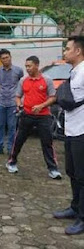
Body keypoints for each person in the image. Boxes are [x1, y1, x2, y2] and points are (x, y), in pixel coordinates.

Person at [5, 56, 62, 179]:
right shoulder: (23, 81)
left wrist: (41, 106)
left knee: (47, 143)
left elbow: (53, 97)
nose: (27, 69)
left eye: (29, 66)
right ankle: (11, 162)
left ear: (37, 65)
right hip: (26, 115)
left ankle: (53, 169)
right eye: (26, 66)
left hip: (44, 116)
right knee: (18, 140)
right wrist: (19, 103)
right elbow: (18, 95)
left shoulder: (47, 80)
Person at [53, 36, 84, 235]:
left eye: (67, 48)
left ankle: (83, 217)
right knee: (72, 172)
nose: (65, 52)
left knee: (83, 176)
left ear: (78, 51)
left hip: (83, 131)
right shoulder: (74, 72)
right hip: (71, 129)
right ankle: (75, 207)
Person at [0, 49, 24, 156]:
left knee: (11, 126)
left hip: (13, 102)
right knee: (0, 125)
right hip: (1, 101)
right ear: (0, 59)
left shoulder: (18, 71)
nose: (5, 60)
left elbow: (21, 85)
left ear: (10, 57)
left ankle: (11, 147)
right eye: (3, 58)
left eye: (7, 57)